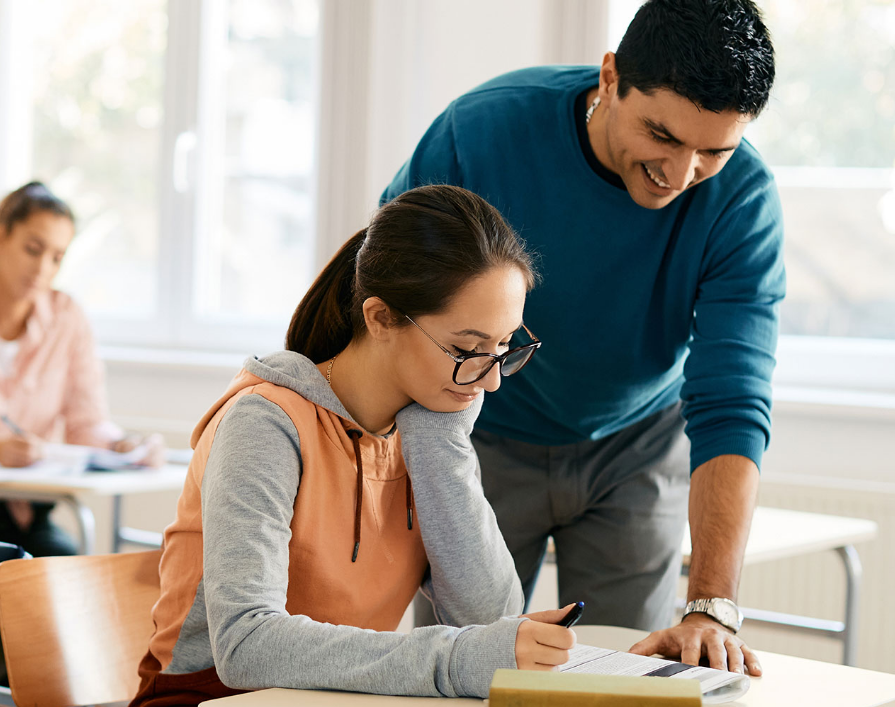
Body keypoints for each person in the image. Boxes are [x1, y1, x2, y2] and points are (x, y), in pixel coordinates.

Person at [382, 0, 783, 677]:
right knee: (467, 667)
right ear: (610, 78)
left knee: (628, 674)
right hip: (481, 431)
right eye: (662, 134)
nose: (680, 174)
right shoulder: (479, 132)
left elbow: (732, 400)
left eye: (712, 151)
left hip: (634, 446)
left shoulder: (743, 198)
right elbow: (385, 293)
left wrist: (712, 604)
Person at [130, 185, 577, 705]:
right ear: (381, 317)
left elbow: (490, 619)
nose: (491, 381)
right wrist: (453, 658)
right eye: (466, 349)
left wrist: (444, 442)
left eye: (503, 348)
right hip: (213, 700)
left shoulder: (426, 429)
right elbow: (245, 644)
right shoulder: (264, 423)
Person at [0, 181, 164, 705]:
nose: (43, 268)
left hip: (24, 512)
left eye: (58, 256)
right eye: (32, 247)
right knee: (7, 605)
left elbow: (88, 425)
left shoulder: (66, 318)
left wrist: (119, 446)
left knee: (81, 593)